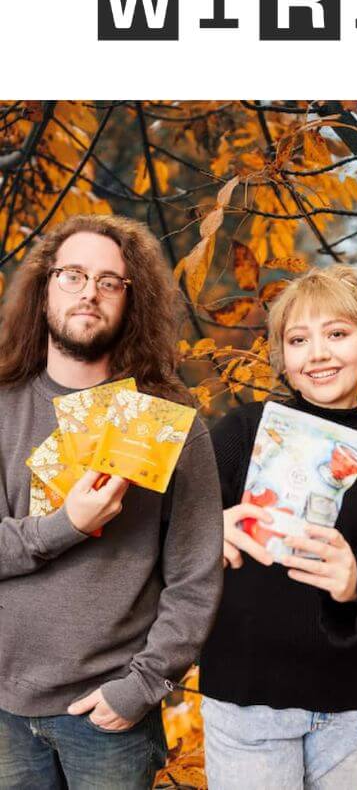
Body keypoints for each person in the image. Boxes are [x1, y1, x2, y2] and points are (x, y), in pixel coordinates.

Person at [0, 214, 223, 790]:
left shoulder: (167, 422)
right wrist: (63, 526)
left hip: (109, 716)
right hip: (3, 709)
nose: (89, 293)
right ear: (45, 285)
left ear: (131, 300)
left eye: (109, 281)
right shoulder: (2, 406)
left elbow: (196, 577)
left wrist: (142, 687)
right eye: (73, 275)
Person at [198, 264, 357, 789]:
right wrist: (209, 527)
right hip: (246, 694)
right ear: (282, 357)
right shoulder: (245, 429)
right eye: (298, 340)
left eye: (337, 334)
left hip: (356, 699)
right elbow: (168, 520)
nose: (318, 353)